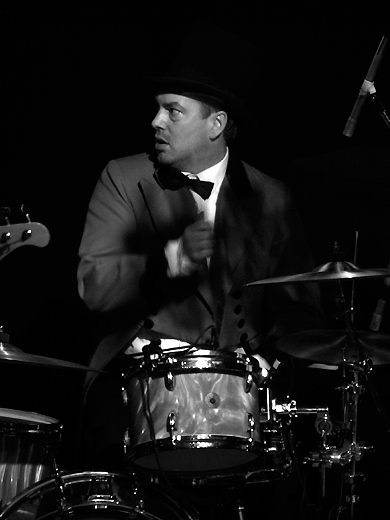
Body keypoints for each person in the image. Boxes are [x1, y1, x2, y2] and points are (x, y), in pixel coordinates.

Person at [75, 24, 323, 516]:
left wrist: (269, 364)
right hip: (135, 397)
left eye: (173, 111)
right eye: (157, 109)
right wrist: (171, 261)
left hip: (236, 407)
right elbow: (94, 287)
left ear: (216, 124)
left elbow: (301, 313)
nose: (155, 122)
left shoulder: (271, 198)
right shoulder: (124, 177)